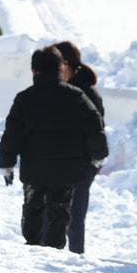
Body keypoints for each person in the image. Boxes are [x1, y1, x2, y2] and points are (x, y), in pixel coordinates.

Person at [0, 45, 108, 250]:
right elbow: (94, 125)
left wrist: (7, 163)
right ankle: (54, 251)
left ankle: (32, 245)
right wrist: (98, 155)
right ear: (60, 68)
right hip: (65, 172)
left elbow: (12, 133)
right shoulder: (76, 97)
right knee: (59, 212)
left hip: (34, 170)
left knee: (33, 208)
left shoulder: (25, 98)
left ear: (34, 71)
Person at [53, 40, 103, 255]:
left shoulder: (85, 92)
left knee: (74, 213)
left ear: (66, 63)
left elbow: (95, 130)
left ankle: (75, 258)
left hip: (82, 162)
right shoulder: (66, 88)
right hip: (68, 160)